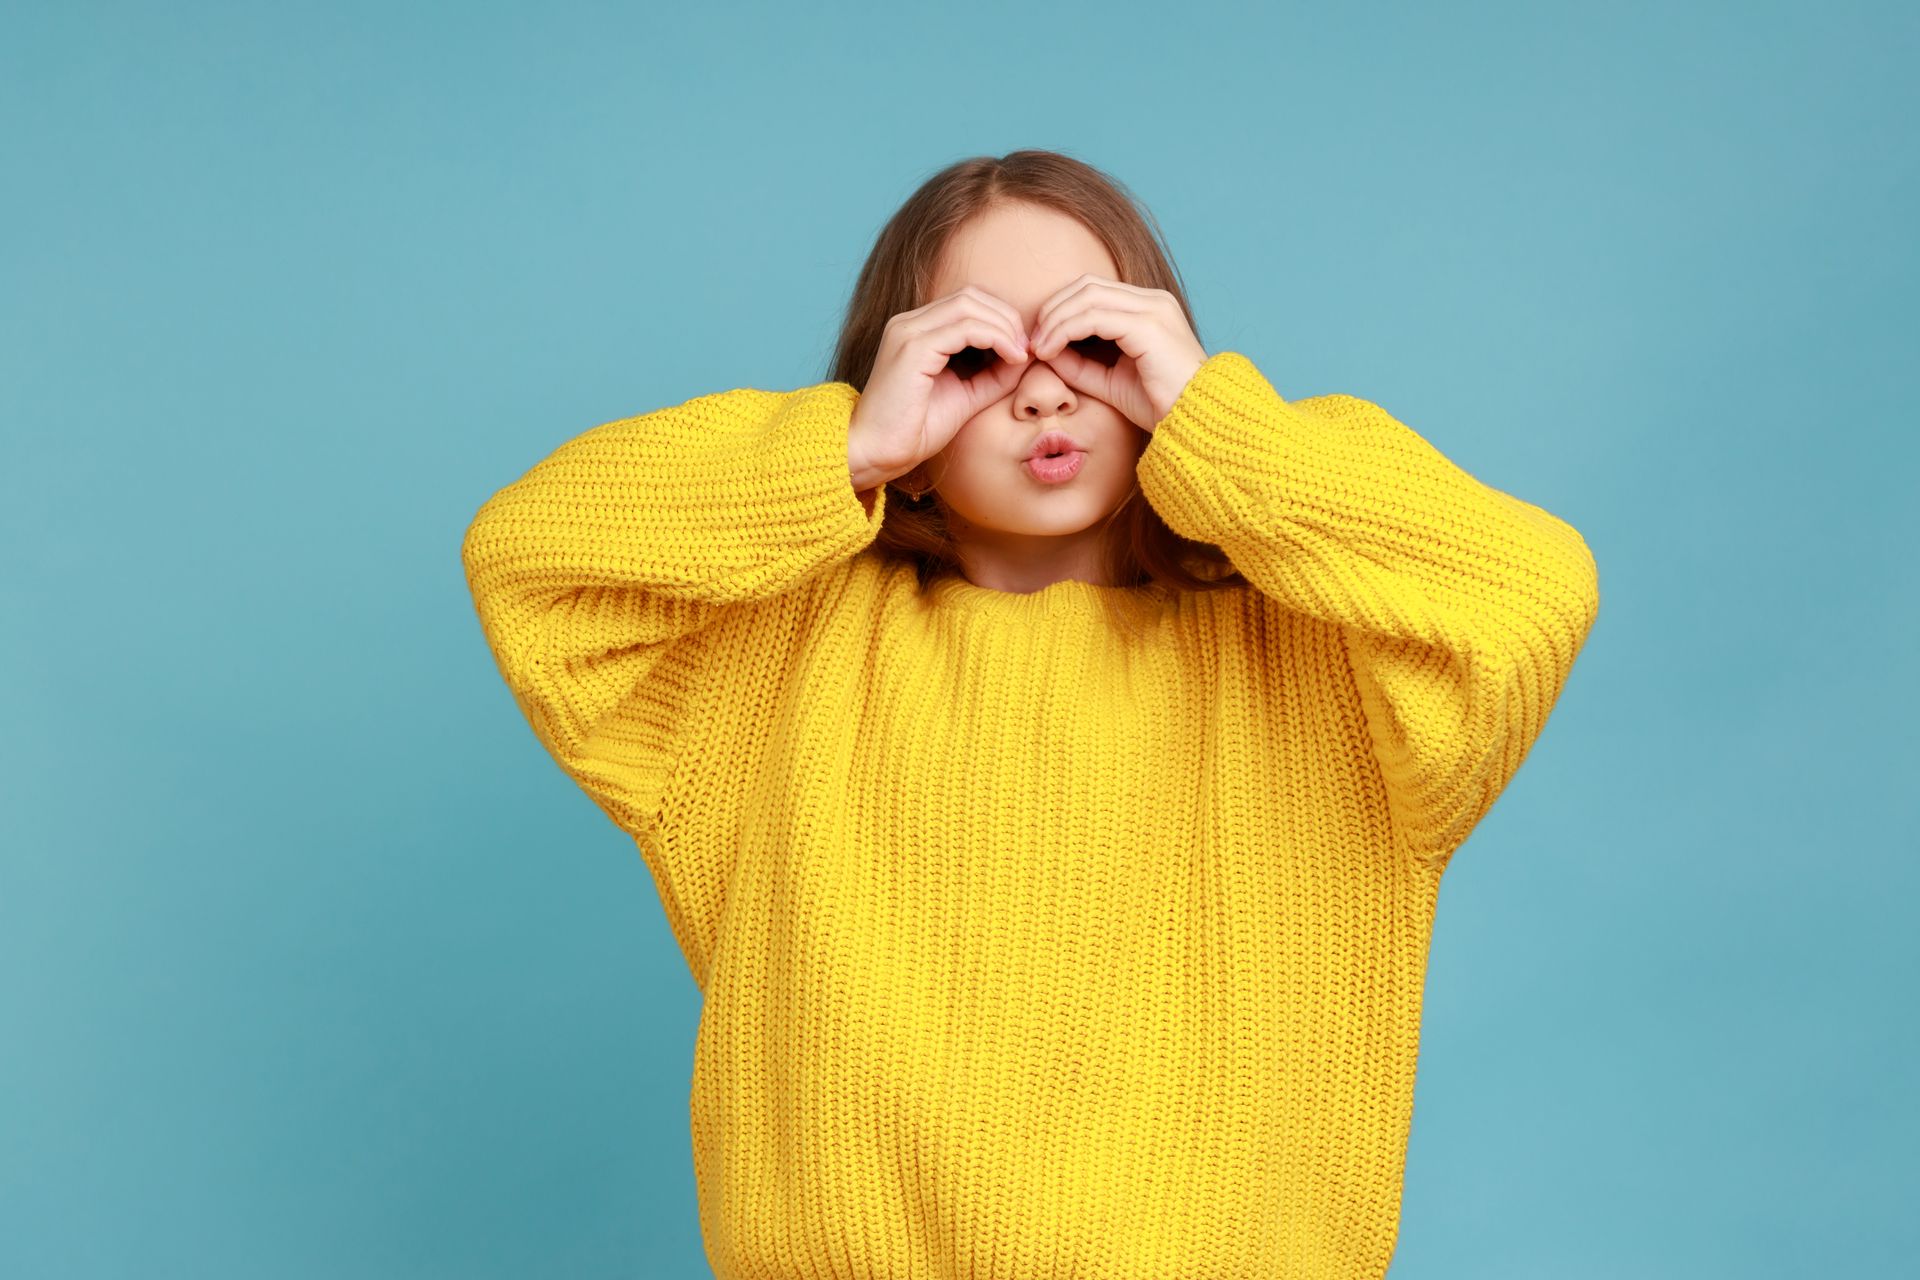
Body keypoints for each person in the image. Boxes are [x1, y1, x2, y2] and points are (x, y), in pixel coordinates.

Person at [460, 149, 1600, 1279]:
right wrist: (849, 448)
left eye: (1094, 344)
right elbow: (528, 559)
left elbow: (1530, 590)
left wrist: (1218, 427)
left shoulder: (1320, 667)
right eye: (975, 355)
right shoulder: (772, 664)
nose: (1045, 392)